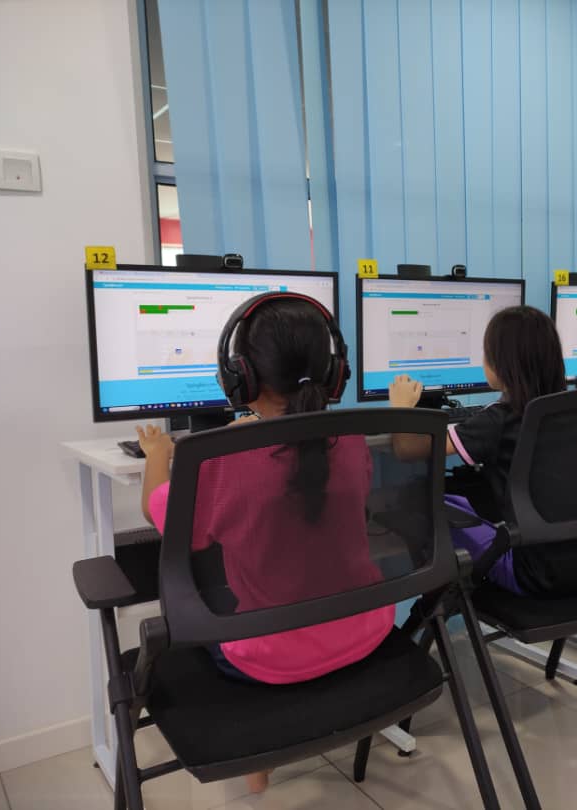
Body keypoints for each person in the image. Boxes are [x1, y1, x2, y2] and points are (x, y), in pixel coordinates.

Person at [136, 294, 394, 793]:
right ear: (333, 373)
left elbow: (156, 510)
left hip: (268, 661)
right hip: (367, 634)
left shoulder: (223, 462)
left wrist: (157, 455)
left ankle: (260, 762)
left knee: (205, 594)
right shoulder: (352, 441)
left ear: (241, 378)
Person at [389, 305, 577, 596]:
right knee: (468, 492)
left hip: (538, 574)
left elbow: (406, 449)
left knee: (417, 500)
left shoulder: (498, 419)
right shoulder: (565, 409)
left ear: (500, 365)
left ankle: (436, 607)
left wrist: (401, 406)